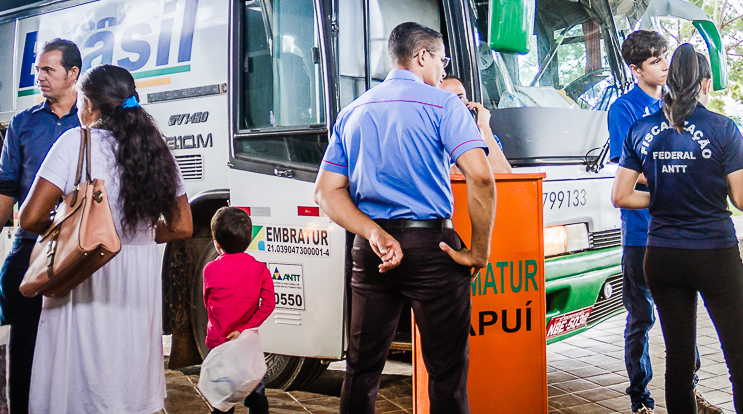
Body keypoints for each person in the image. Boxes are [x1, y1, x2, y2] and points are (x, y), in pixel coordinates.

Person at [313, 22, 497, 414]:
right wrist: (479, 251)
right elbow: (481, 175)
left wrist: (374, 233)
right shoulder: (443, 104)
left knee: (361, 370)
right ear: (422, 56)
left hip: (372, 251)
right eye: (441, 60)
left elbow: (327, 191)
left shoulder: (353, 111)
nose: (443, 70)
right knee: (446, 375)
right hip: (434, 248)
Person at [19, 64, 194, 414]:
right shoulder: (157, 151)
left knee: (78, 388)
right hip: (135, 286)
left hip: (84, 274)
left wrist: (78, 231)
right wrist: (139, 234)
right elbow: (183, 227)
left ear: (89, 104)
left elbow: (30, 217)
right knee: (125, 385)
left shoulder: (75, 143)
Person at [613, 43, 743, 414]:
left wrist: (663, 196)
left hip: (662, 255)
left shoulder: (641, 128)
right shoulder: (723, 128)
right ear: (704, 84)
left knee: (678, 358)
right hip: (715, 254)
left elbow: (621, 195)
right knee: (741, 359)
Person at [607, 31, 716, 414]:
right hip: (641, 233)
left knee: (682, 321)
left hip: (681, 231)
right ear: (636, 69)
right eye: (654, 60)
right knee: (641, 318)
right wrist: (679, 179)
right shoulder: (624, 110)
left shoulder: (681, 106)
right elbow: (630, 173)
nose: (665, 65)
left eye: (666, 56)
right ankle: (641, 398)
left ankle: (690, 393)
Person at [0, 38, 82, 414]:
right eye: (38, 70)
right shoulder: (23, 123)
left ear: (73, 74)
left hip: (78, 249)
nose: (39, 77)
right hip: (30, 246)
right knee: (21, 338)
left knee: (72, 343)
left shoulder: (92, 123)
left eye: (48, 70)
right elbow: (5, 185)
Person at [204, 206, 276, 414]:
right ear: (249, 240)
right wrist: (245, 328)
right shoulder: (260, 269)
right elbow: (268, 304)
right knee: (257, 399)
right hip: (248, 347)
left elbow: (208, 303)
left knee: (222, 403)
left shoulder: (210, 269)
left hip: (219, 346)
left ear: (217, 245)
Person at [439, 76, 512, 175]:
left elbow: (502, 173)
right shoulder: (429, 139)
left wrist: (484, 126)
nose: (455, 103)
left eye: (460, 97)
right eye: (448, 98)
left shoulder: (484, 138)